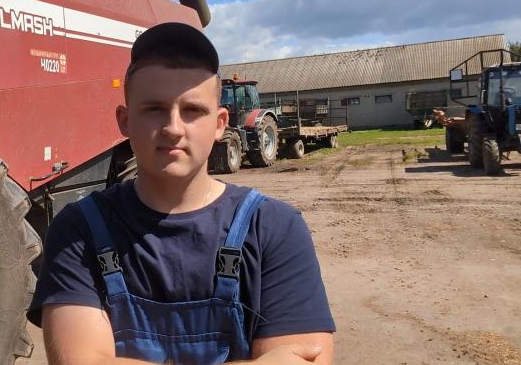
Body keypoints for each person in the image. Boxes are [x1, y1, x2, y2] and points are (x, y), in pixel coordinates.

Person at [27, 22, 335, 364]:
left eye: (192, 111)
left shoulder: (274, 229)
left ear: (219, 124)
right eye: (154, 109)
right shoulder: (79, 231)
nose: (173, 128)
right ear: (124, 121)